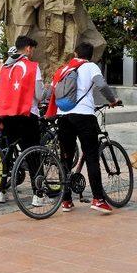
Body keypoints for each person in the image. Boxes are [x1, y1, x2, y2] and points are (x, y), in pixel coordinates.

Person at [50, 42, 121, 214]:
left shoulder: (64, 68)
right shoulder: (91, 66)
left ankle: (66, 200)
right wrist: (112, 100)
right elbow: (102, 85)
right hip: (84, 116)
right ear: (91, 56)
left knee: (66, 158)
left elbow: (52, 90)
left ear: (75, 53)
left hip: (63, 116)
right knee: (91, 156)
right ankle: (98, 199)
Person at [0, 36, 44, 204]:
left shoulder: (5, 67)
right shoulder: (32, 67)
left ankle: (1, 191)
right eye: (33, 49)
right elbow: (39, 94)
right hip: (27, 115)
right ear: (28, 48)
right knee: (33, 154)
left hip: (7, 116)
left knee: (7, 154)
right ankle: (38, 195)